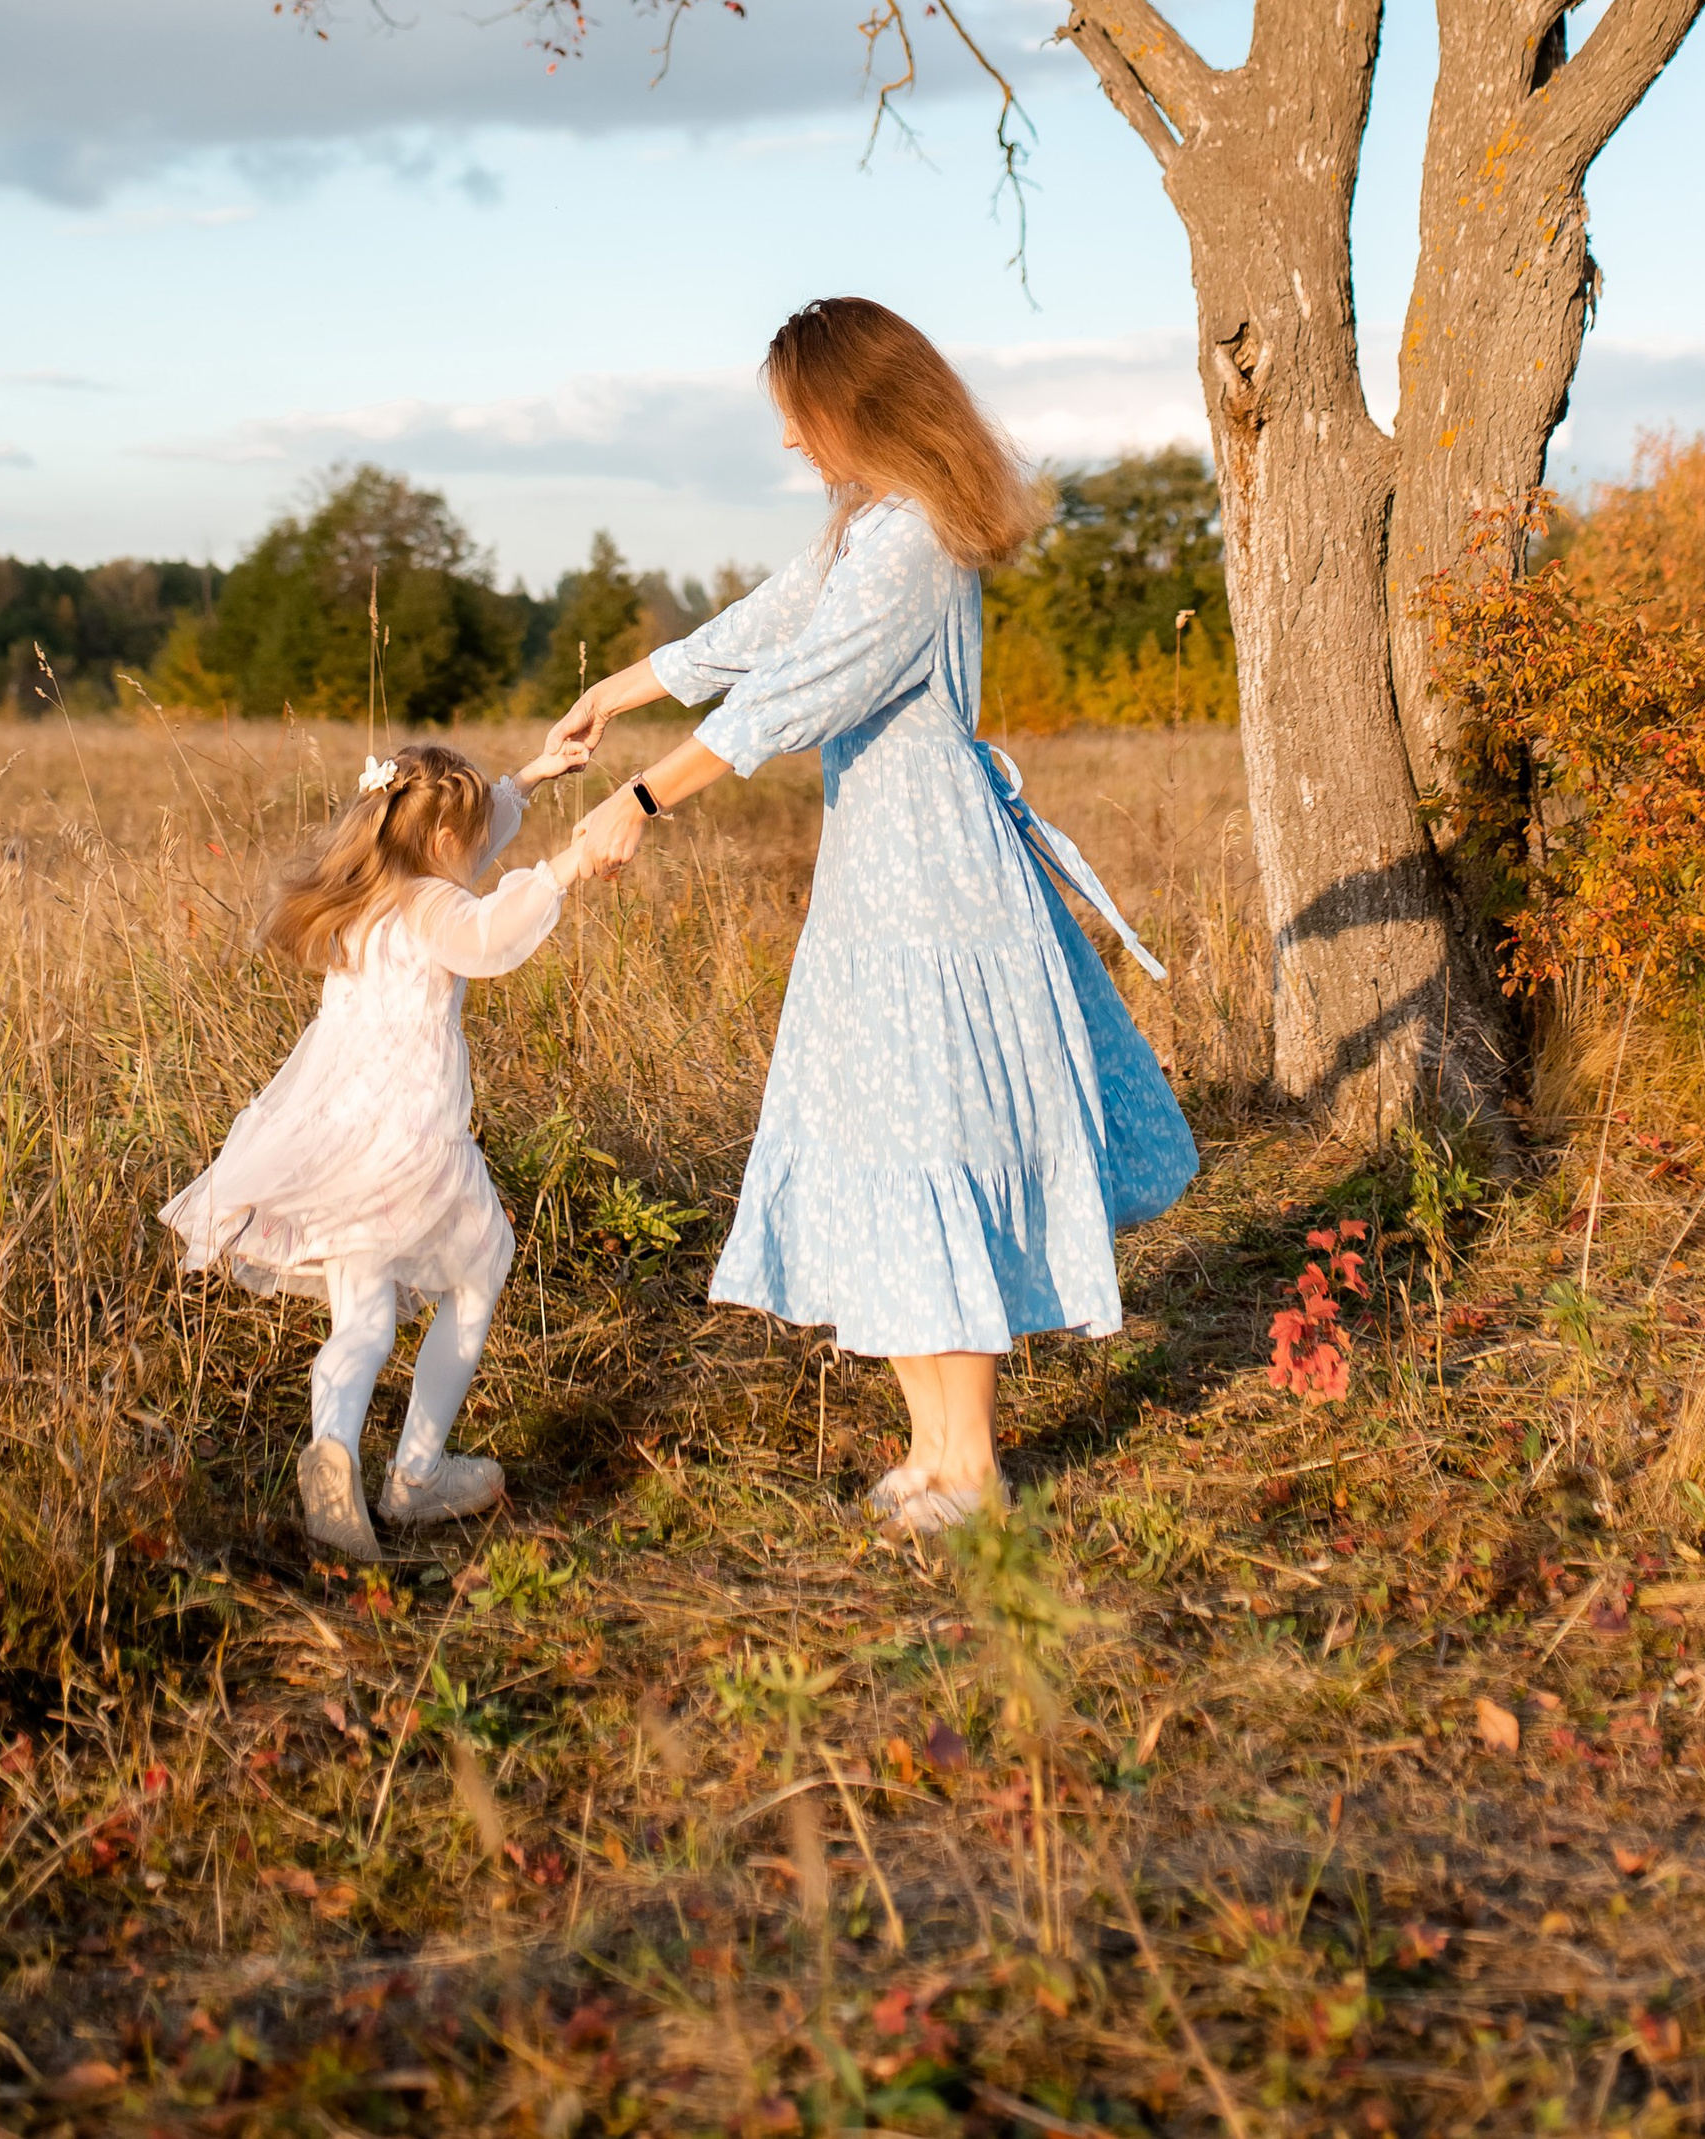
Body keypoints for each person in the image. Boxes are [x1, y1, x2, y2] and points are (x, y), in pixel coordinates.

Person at [546, 295, 1199, 1532]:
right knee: (891, 1144)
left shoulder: (913, 542)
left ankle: (971, 1468)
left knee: (932, 1141)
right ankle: (934, 1450)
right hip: (879, 880)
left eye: (800, 417)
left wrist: (644, 795)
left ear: (854, 405)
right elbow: (763, 629)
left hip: (935, 885)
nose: (793, 445)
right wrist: (614, 692)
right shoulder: (874, 526)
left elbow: (799, 690)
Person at [161, 736, 605, 1558]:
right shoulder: (435, 905)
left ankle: (332, 1448)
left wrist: (531, 778)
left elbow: (469, 841)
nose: (478, 850)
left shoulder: (369, 895)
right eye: (470, 838)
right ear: (442, 841)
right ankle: (416, 1473)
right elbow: (487, 933)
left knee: (363, 1319)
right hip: (411, 1141)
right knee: (481, 1270)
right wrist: (565, 867)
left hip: (336, 1138)